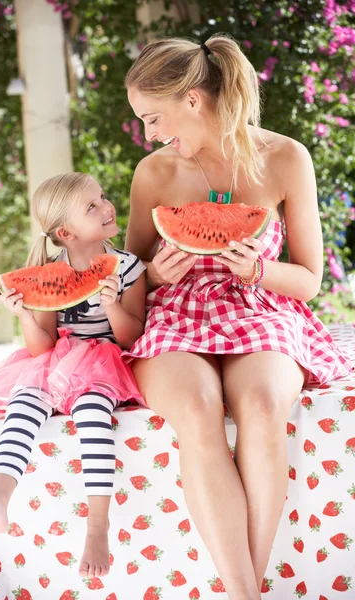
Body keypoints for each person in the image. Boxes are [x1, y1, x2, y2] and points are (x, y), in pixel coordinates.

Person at [123, 35, 353, 599]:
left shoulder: (285, 157)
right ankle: (247, 595)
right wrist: (158, 274)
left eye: (153, 118)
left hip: (263, 306)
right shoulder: (153, 174)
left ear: (193, 100)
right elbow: (131, 278)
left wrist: (257, 271)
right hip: (177, 314)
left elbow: (309, 279)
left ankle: (240, 593)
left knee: (263, 403)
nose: (149, 134)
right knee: (199, 408)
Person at [0, 172, 147, 579]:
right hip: (55, 359)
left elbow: (132, 335)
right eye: (91, 206)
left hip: (106, 362)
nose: (106, 206)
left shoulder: (129, 267)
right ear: (66, 232)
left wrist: (111, 304)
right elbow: (41, 347)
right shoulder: (47, 271)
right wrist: (24, 313)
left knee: (93, 414)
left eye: (102, 197)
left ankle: (98, 523)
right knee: (24, 402)